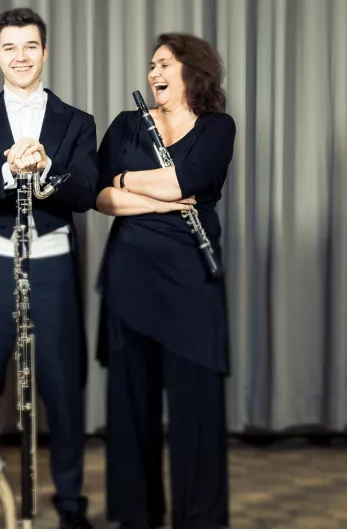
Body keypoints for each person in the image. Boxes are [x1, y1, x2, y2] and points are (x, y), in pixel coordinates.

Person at [0, 7, 98, 529]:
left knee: (63, 387)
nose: (20, 56)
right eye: (9, 48)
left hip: (52, 266)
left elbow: (87, 193)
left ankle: (70, 503)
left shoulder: (78, 122)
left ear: (45, 52)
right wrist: (10, 171)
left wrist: (48, 167)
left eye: (30, 46)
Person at [94, 33, 236, 529]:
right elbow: (99, 196)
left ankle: (201, 519)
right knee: (131, 405)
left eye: (165, 64)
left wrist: (127, 180)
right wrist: (153, 200)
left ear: (193, 71)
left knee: (197, 406)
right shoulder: (126, 124)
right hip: (129, 277)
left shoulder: (217, 126)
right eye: (152, 65)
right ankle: (137, 516)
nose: (154, 73)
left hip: (191, 278)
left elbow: (185, 181)